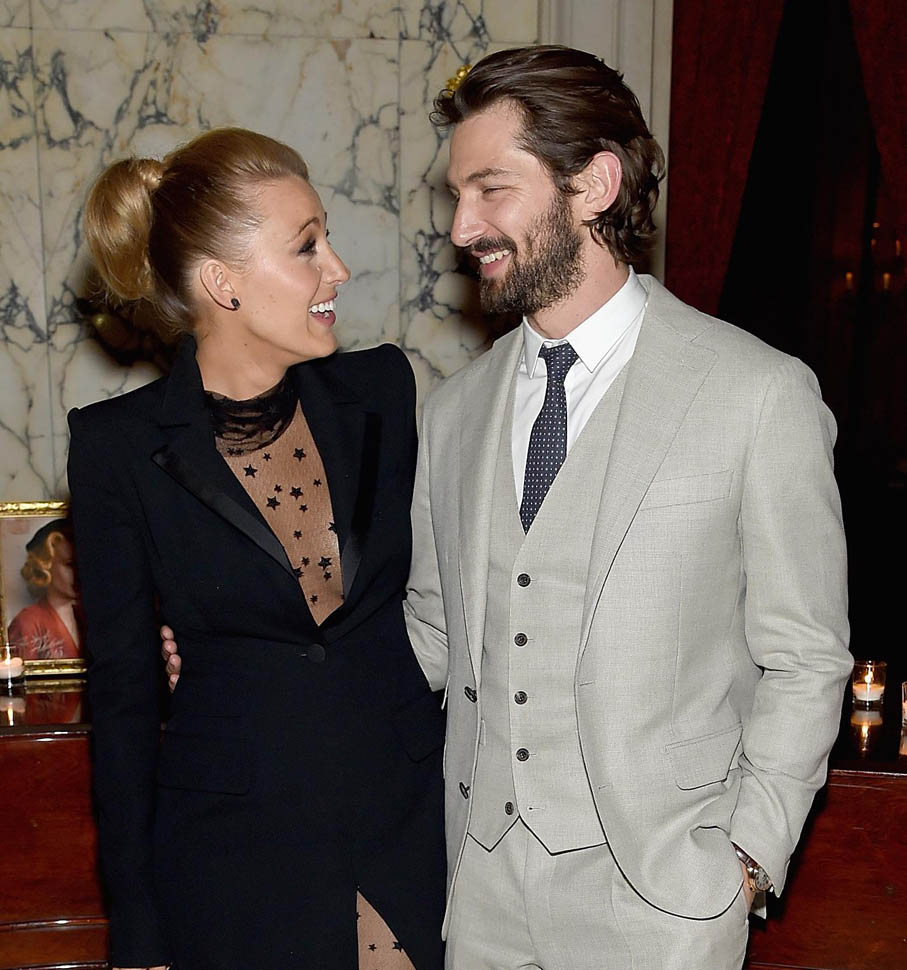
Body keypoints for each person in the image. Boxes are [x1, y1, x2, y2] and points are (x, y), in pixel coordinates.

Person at [401, 46, 851, 969]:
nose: (462, 227)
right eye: (457, 196)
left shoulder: (755, 392)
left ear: (594, 185)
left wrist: (746, 858)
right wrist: (244, 643)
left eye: (491, 189)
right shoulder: (452, 413)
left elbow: (805, 657)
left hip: (665, 901)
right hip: (481, 896)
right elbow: (431, 635)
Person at [69, 127, 445, 970]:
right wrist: (136, 932)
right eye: (306, 246)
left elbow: (450, 592)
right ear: (222, 282)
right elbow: (124, 702)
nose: (336, 268)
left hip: (407, 830)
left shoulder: (383, 391)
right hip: (233, 860)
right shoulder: (117, 447)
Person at [8, 519, 82, 660]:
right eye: (69, 564)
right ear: (46, 565)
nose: (79, 573)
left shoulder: (92, 615)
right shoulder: (28, 622)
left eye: (82, 564)